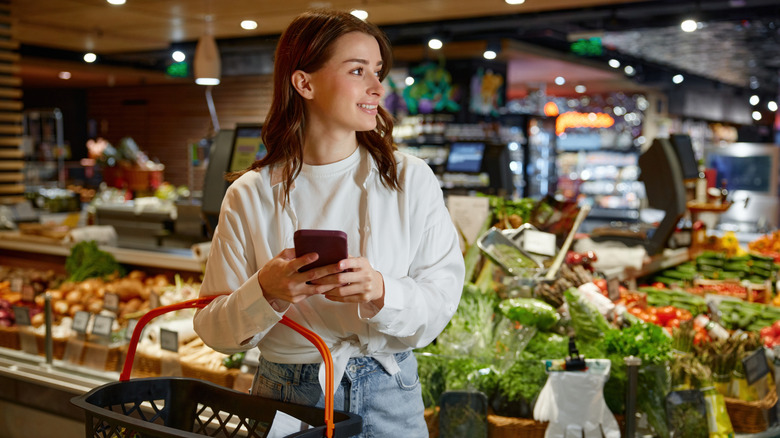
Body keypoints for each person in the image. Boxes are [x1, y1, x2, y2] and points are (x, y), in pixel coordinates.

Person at [193, 8, 464, 437]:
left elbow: (442, 300)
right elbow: (212, 328)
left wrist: (381, 291)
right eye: (358, 71)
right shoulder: (249, 193)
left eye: (377, 71)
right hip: (286, 396)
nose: (378, 87)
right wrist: (266, 292)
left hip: (391, 390)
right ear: (304, 83)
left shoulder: (410, 178)